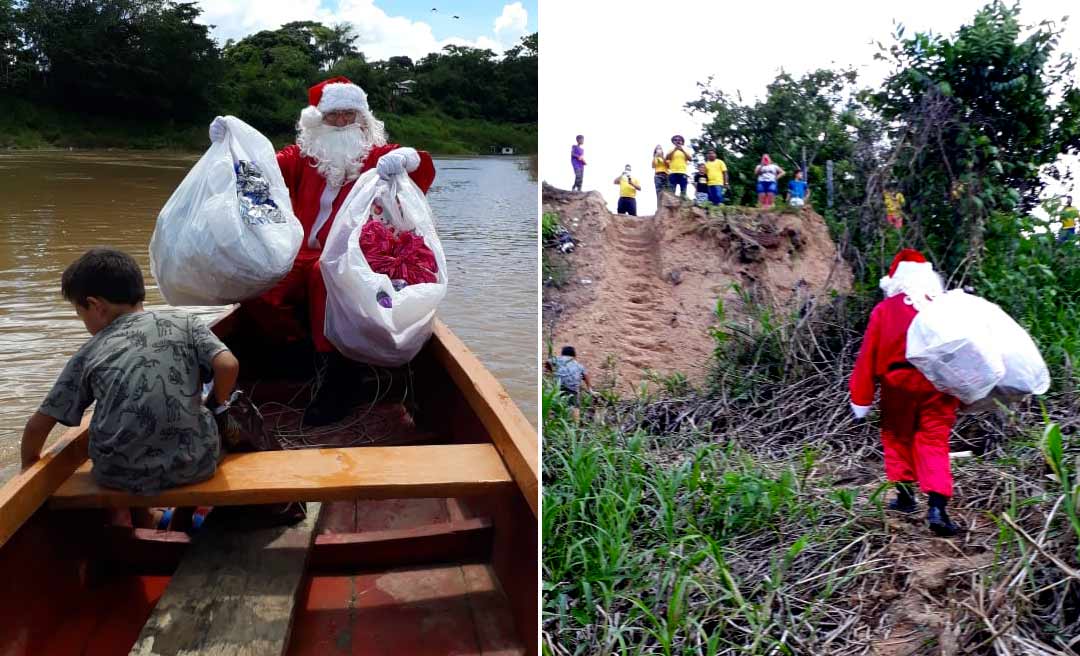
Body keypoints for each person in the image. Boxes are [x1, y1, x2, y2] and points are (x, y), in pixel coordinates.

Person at [208, 76, 436, 426]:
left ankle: (339, 376)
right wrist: (231, 146)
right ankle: (299, 354)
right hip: (299, 251)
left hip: (356, 254)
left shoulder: (377, 155)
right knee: (260, 279)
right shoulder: (301, 156)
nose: (343, 122)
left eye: (350, 114)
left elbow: (418, 169)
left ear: (363, 119)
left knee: (323, 276)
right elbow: (261, 170)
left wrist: (408, 159)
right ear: (318, 121)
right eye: (334, 116)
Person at [21, 249, 240, 502]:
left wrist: (29, 472)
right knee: (216, 426)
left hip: (116, 476)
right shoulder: (184, 322)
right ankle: (183, 518)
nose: (85, 323)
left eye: (81, 315)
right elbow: (228, 365)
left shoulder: (89, 351)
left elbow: (36, 427)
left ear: (95, 306)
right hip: (194, 467)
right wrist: (216, 403)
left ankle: (145, 517)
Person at [850, 249, 961, 537]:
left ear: (895, 280)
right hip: (939, 384)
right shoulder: (945, 306)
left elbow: (867, 358)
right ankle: (937, 508)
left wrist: (861, 399)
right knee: (934, 441)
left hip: (897, 384)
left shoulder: (885, 311)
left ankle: (905, 497)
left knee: (897, 438)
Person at [546, 345, 592, 421]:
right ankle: (575, 424)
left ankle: (552, 420)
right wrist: (590, 389)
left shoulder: (558, 359)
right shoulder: (578, 365)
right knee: (575, 406)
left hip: (558, 386)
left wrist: (551, 371)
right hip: (572, 388)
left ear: (562, 353)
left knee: (553, 404)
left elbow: (548, 362)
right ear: (574, 355)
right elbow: (586, 375)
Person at [665, 135, 692, 200]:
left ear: (682, 142)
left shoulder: (686, 149)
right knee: (671, 191)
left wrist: (682, 150)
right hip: (672, 173)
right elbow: (667, 157)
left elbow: (690, 158)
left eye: (679, 140)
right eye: (676, 140)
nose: (678, 141)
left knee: (683, 192)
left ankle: (683, 206)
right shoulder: (671, 150)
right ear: (673, 142)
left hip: (683, 172)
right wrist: (674, 149)